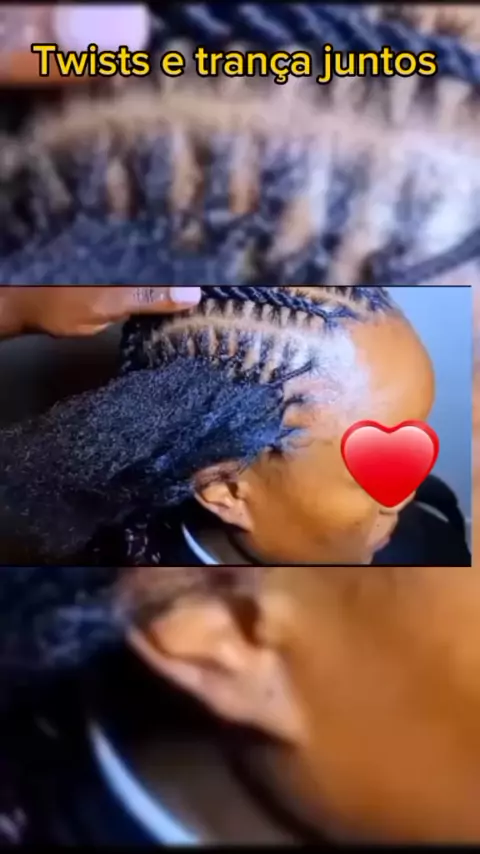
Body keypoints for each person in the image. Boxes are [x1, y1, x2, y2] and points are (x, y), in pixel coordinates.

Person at [0, 285, 471, 568]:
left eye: (414, 436)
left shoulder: (435, 538)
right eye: (366, 476)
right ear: (225, 489)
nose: (407, 491)